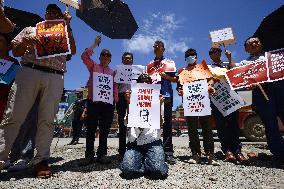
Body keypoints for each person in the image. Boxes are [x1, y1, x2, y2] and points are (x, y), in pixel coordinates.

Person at [0, 4, 76, 178]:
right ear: (45, 14)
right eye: (49, 11)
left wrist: (68, 26)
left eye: (55, 13)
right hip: (30, 70)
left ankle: (41, 160)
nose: (52, 14)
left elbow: (73, 50)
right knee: (13, 116)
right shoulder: (30, 29)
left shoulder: (64, 31)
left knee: (47, 120)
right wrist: (27, 41)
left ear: (60, 16)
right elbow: (16, 50)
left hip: (55, 75)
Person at [238, 37, 284, 160]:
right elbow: (240, 79)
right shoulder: (244, 64)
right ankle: (280, 155)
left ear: (261, 43)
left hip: (280, 89)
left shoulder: (275, 56)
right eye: (250, 43)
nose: (254, 43)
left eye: (256, 41)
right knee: (270, 124)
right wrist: (249, 84)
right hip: (261, 94)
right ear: (246, 49)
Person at [120, 73, 168, 179]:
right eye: (141, 81)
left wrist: (159, 105)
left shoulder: (157, 99)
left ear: (151, 84)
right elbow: (127, 122)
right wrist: (128, 102)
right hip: (135, 143)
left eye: (147, 81)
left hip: (152, 141)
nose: (144, 83)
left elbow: (160, 124)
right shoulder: (132, 100)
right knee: (128, 171)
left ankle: (149, 161)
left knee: (158, 171)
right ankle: (144, 161)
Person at [177, 48, 220, 166]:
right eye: (188, 55)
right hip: (189, 103)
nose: (191, 56)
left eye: (193, 55)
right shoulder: (181, 71)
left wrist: (210, 86)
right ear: (185, 58)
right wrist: (180, 91)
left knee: (207, 128)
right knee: (192, 129)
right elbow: (179, 88)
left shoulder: (203, 67)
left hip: (204, 102)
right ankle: (195, 153)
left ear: (196, 56)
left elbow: (211, 79)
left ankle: (210, 153)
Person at [81, 36, 118, 165]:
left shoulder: (113, 72)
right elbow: (84, 56)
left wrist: (115, 102)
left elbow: (114, 88)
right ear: (100, 57)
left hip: (108, 104)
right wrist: (95, 43)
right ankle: (89, 155)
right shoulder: (93, 66)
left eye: (108, 56)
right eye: (103, 55)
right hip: (94, 102)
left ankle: (102, 154)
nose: (105, 57)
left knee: (105, 130)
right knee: (91, 129)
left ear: (110, 59)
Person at [208, 47, 247, 163]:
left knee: (233, 124)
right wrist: (211, 83)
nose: (217, 53)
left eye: (218, 51)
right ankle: (227, 151)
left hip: (231, 96)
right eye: (214, 52)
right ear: (210, 55)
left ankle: (237, 150)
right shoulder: (208, 67)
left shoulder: (227, 64)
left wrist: (230, 58)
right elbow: (209, 79)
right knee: (221, 125)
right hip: (217, 98)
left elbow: (235, 71)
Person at [146, 40, 177, 164]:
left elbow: (175, 79)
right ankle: (152, 149)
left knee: (167, 124)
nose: (157, 47)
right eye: (155, 46)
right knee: (153, 124)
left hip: (166, 95)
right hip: (153, 96)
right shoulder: (149, 64)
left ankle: (168, 152)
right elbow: (145, 80)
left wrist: (166, 77)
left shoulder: (169, 63)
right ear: (154, 49)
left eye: (160, 46)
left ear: (164, 49)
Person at [116, 52, 133, 160]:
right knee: (122, 124)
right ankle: (122, 151)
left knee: (134, 123)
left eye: (129, 58)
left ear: (132, 60)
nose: (127, 60)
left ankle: (133, 148)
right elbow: (115, 86)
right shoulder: (118, 70)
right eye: (125, 58)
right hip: (121, 96)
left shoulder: (137, 71)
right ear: (122, 60)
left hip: (134, 96)